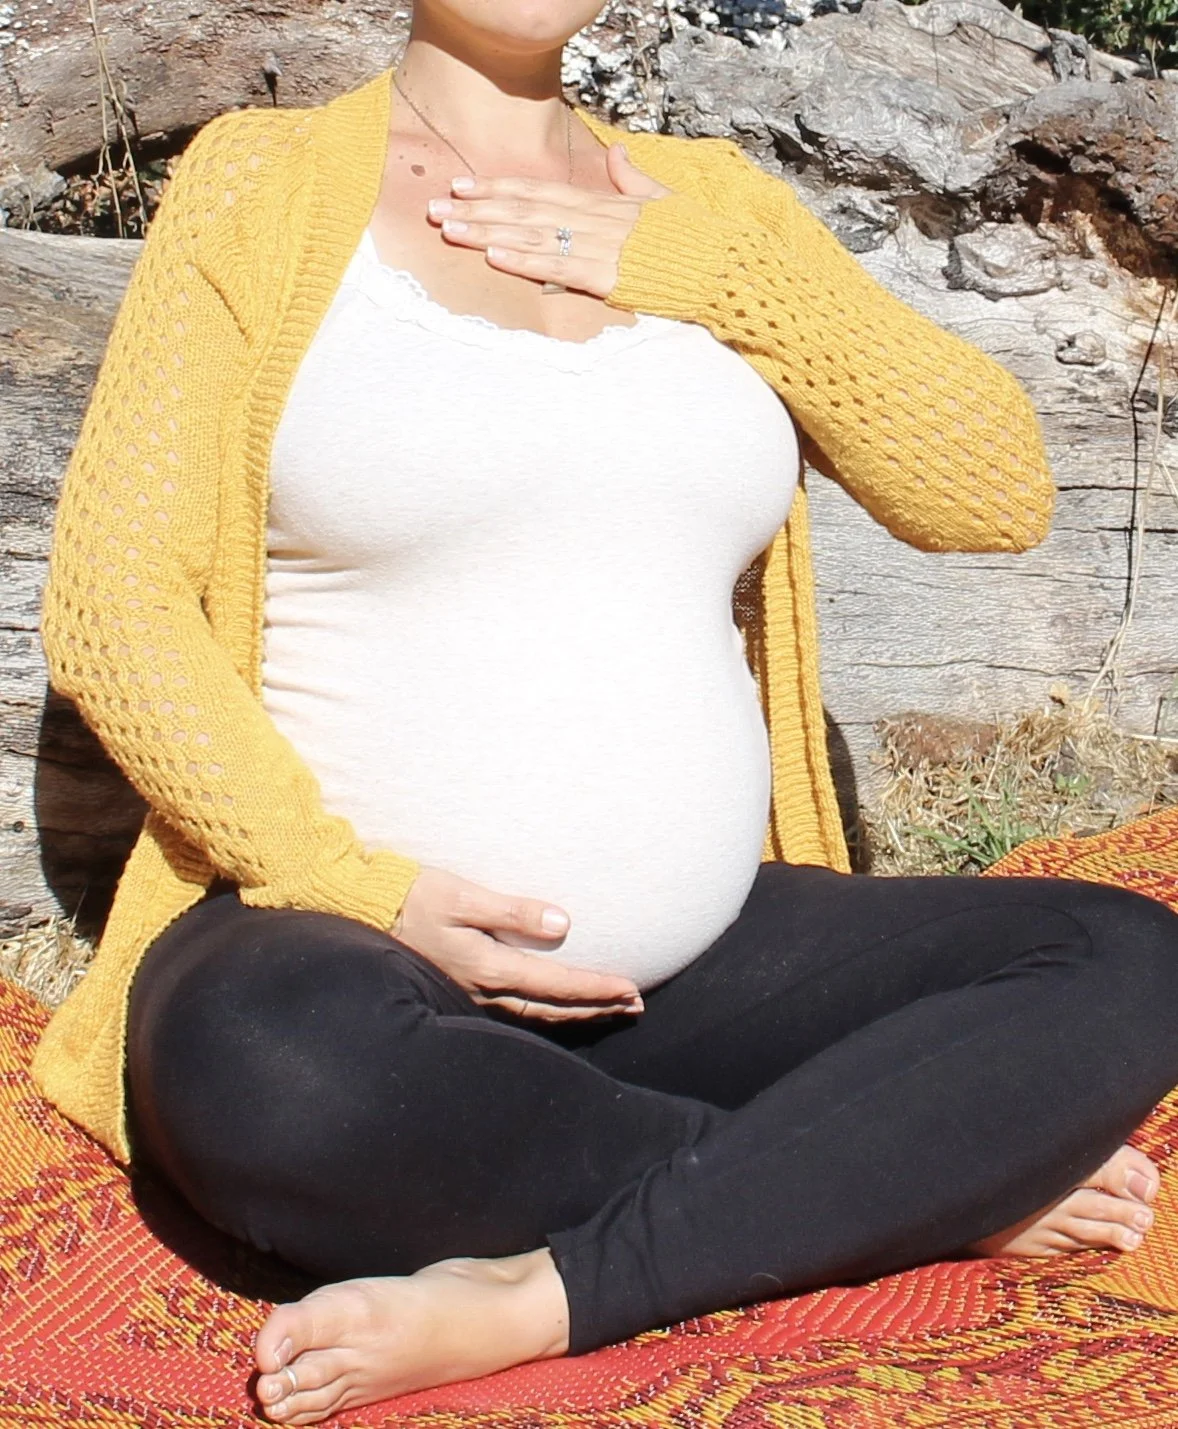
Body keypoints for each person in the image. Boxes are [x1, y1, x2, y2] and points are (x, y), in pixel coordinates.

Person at [31, 2, 1178, 1425]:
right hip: (338, 961)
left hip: (695, 973)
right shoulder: (262, 185)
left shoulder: (716, 205)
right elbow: (114, 606)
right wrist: (347, 884)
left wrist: (708, 271)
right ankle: (890, 1182)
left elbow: (987, 491)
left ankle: (551, 1285)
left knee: (1123, 953)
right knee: (269, 1082)